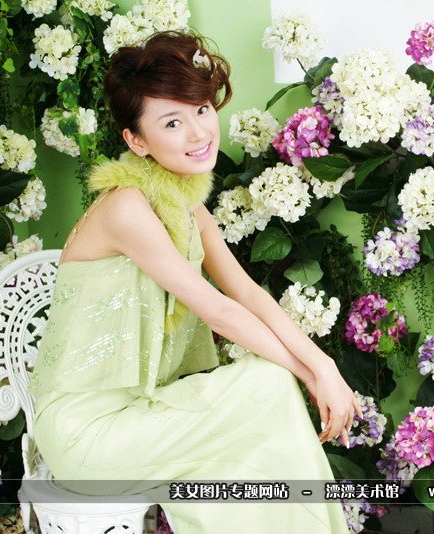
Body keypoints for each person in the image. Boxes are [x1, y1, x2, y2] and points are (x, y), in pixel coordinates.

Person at [28, 30, 357, 533]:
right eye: (172, 122)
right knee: (268, 384)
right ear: (136, 141)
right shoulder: (126, 208)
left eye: (201, 109)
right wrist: (312, 374)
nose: (199, 132)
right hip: (90, 435)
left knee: (247, 448)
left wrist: (322, 365)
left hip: (148, 412)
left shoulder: (185, 202)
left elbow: (244, 291)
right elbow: (219, 310)